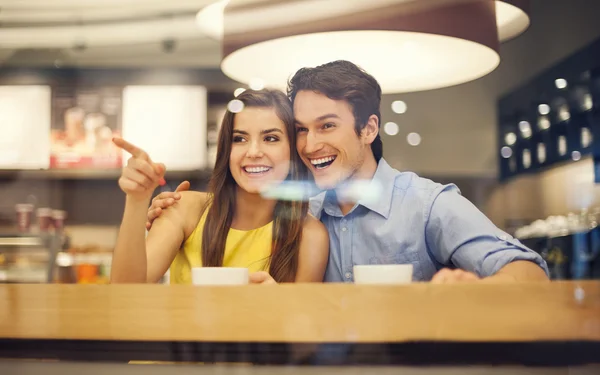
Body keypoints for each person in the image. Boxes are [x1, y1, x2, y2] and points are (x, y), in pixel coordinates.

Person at [146, 60, 549, 284]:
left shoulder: (428, 205)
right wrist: (165, 209)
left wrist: (478, 291)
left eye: (327, 126)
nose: (308, 144)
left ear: (368, 128)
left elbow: (529, 272)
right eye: (300, 130)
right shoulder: (301, 213)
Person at [110, 89, 329, 284]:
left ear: (292, 150)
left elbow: (301, 326)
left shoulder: (309, 235)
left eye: (270, 138)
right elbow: (125, 289)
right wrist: (137, 199)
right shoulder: (186, 208)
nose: (253, 152)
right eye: (239, 139)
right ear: (226, 149)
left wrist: (275, 305)